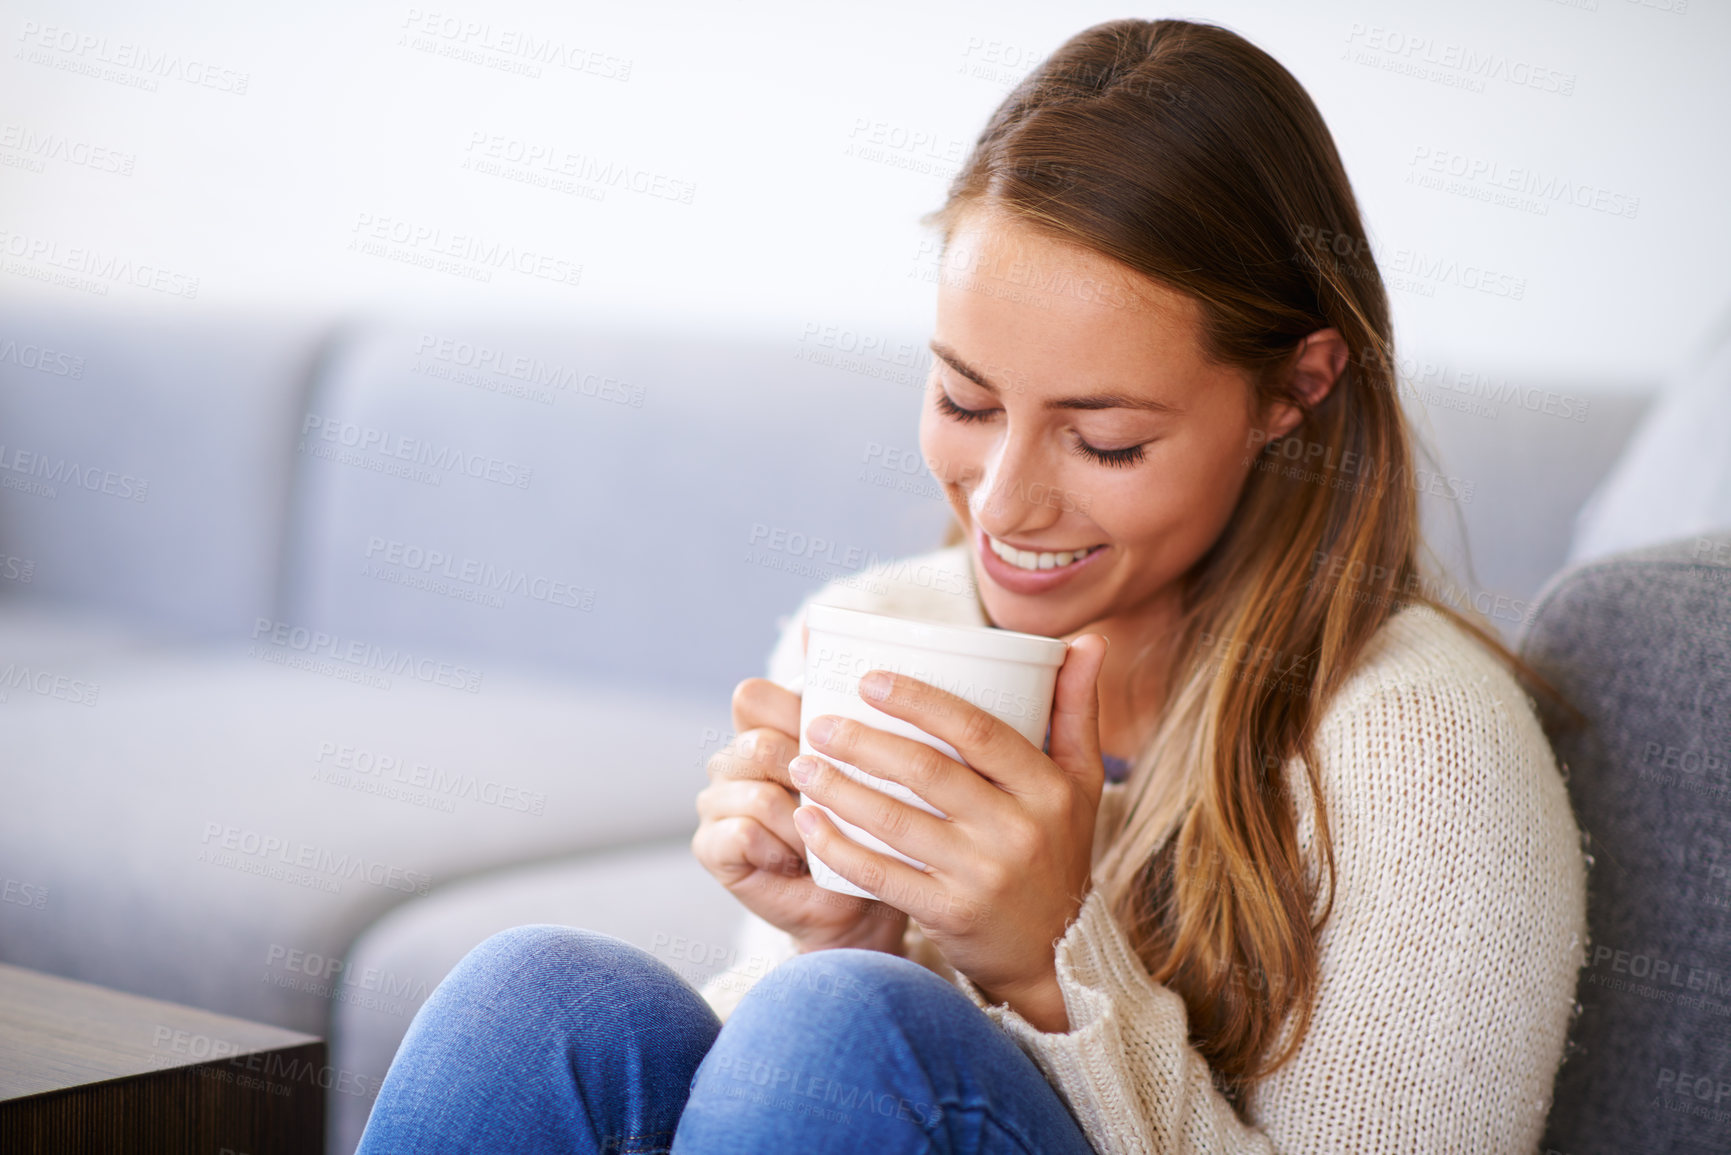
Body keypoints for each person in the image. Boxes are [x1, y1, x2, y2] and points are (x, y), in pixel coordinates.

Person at [356, 18, 1588, 1154]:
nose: (999, 505)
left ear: (1293, 391)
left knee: (843, 1032)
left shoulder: (1424, 747)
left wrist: (1052, 969)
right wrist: (834, 940)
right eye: (964, 399)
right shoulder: (886, 632)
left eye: (1104, 440)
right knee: (542, 998)